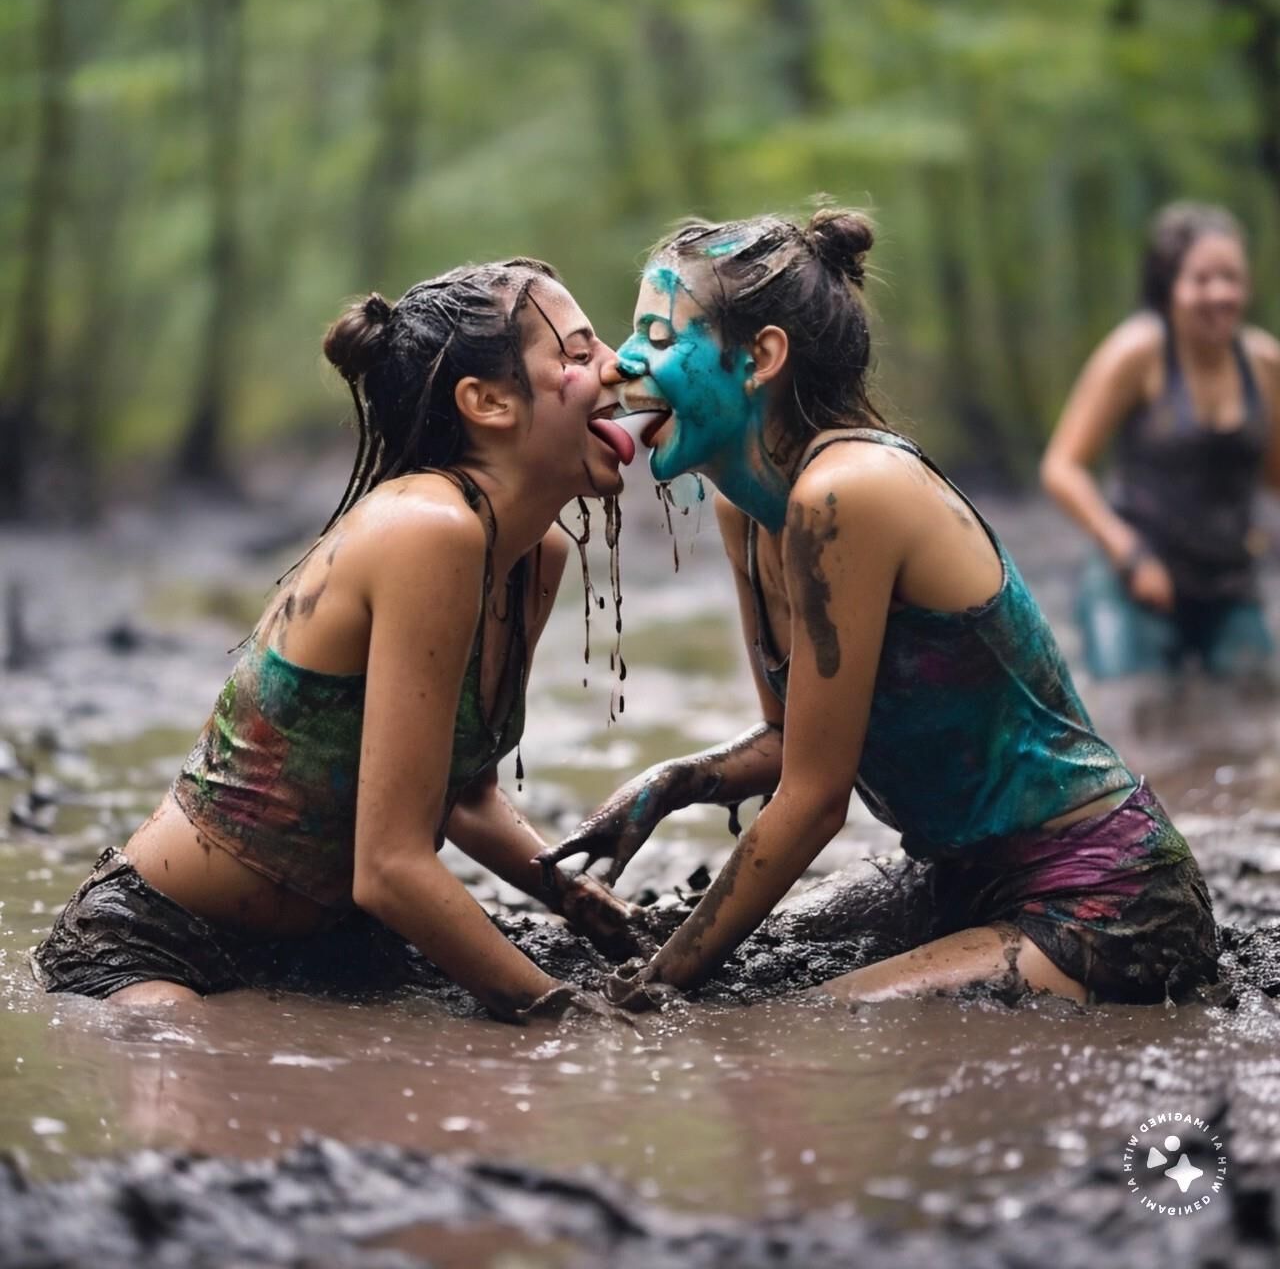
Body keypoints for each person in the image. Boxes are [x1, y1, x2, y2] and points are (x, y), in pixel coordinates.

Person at [541, 208, 1218, 1008]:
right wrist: (671, 782)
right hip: (957, 881)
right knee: (760, 952)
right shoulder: (746, 510)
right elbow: (797, 740)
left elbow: (816, 800)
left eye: (657, 338)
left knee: (817, 1020)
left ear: (761, 358)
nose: (618, 366)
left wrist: (658, 987)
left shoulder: (849, 493)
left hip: (1112, 898)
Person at [31, 259, 648, 1020]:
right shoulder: (429, 530)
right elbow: (388, 870)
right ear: (487, 402)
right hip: (154, 948)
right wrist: (562, 1012)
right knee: (181, 1039)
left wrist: (568, 890)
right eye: (578, 354)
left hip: (331, 951)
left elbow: (465, 799)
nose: (619, 366)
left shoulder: (533, 556)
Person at [1041, 201, 1280, 680]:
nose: (1219, 293)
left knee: (1256, 709)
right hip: (1136, 579)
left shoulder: (1264, 363)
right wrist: (1128, 553)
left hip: (1230, 584)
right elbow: (1061, 468)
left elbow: (1276, 476)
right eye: (1202, 279)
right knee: (1137, 719)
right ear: (1170, 286)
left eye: (1231, 278)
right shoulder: (1137, 352)